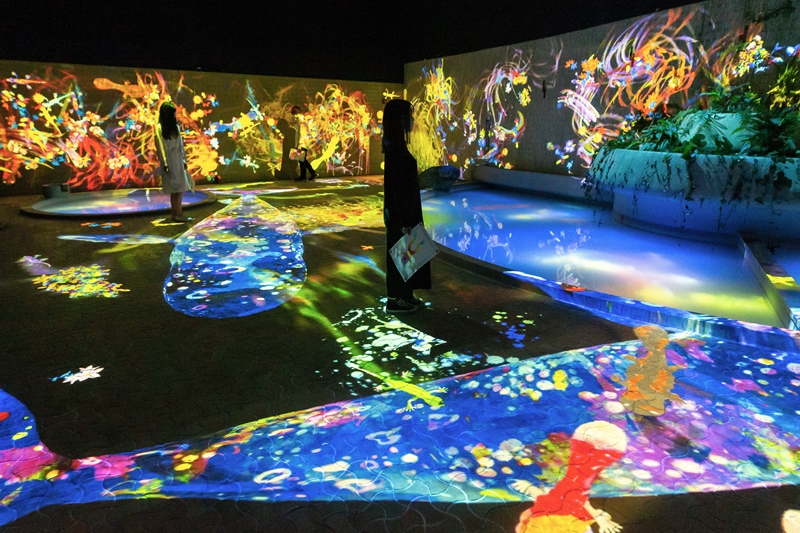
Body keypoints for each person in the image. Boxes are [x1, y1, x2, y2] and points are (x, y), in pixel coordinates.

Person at [512, 421, 627, 533]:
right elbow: (569, 498)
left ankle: (595, 445)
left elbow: (559, 498)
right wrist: (599, 517)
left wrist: (529, 488)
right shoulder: (564, 515)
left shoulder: (556, 513)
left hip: (591, 454)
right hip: (594, 455)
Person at [382, 99, 430, 314]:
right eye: (409, 116)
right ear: (400, 120)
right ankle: (394, 298)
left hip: (406, 211)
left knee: (408, 253)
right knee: (399, 253)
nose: (412, 120)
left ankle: (405, 293)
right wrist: (402, 220)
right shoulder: (395, 150)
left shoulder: (398, 147)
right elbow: (395, 187)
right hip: (400, 213)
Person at [155, 102, 195, 222]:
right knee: (174, 188)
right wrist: (165, 163)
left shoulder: (176, 128)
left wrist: (184, 160)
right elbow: (161, 147)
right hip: (169, 161)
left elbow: (180, 146)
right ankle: (177, 213)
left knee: (180, 187)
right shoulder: (159, 128)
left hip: (177, 160)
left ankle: (176, 213)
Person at [290, 106, 318, 181]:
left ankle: (304, 176)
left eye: (294, 114)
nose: (294, 116)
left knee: (301, 160)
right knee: (303, 160)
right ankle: (312, 173)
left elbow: (303, 133)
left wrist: (300, 144)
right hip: (304, 143)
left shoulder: (301, 121)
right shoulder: (302, 120)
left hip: (302, 143)